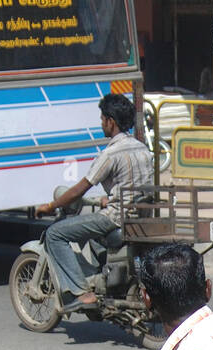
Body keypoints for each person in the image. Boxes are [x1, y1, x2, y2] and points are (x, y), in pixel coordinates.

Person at [36, 94, 154, 307]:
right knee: (90, 226)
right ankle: (104, 279)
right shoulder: (142, 148)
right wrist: (109, 199)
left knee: (55, 234)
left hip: (117, 218)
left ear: (111, 121)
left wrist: (51, 206)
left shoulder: (110, 154)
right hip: (140, 216)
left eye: (102, 119)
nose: (101, 124)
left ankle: (82, 293)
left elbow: (78, 190)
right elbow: (135, 185)